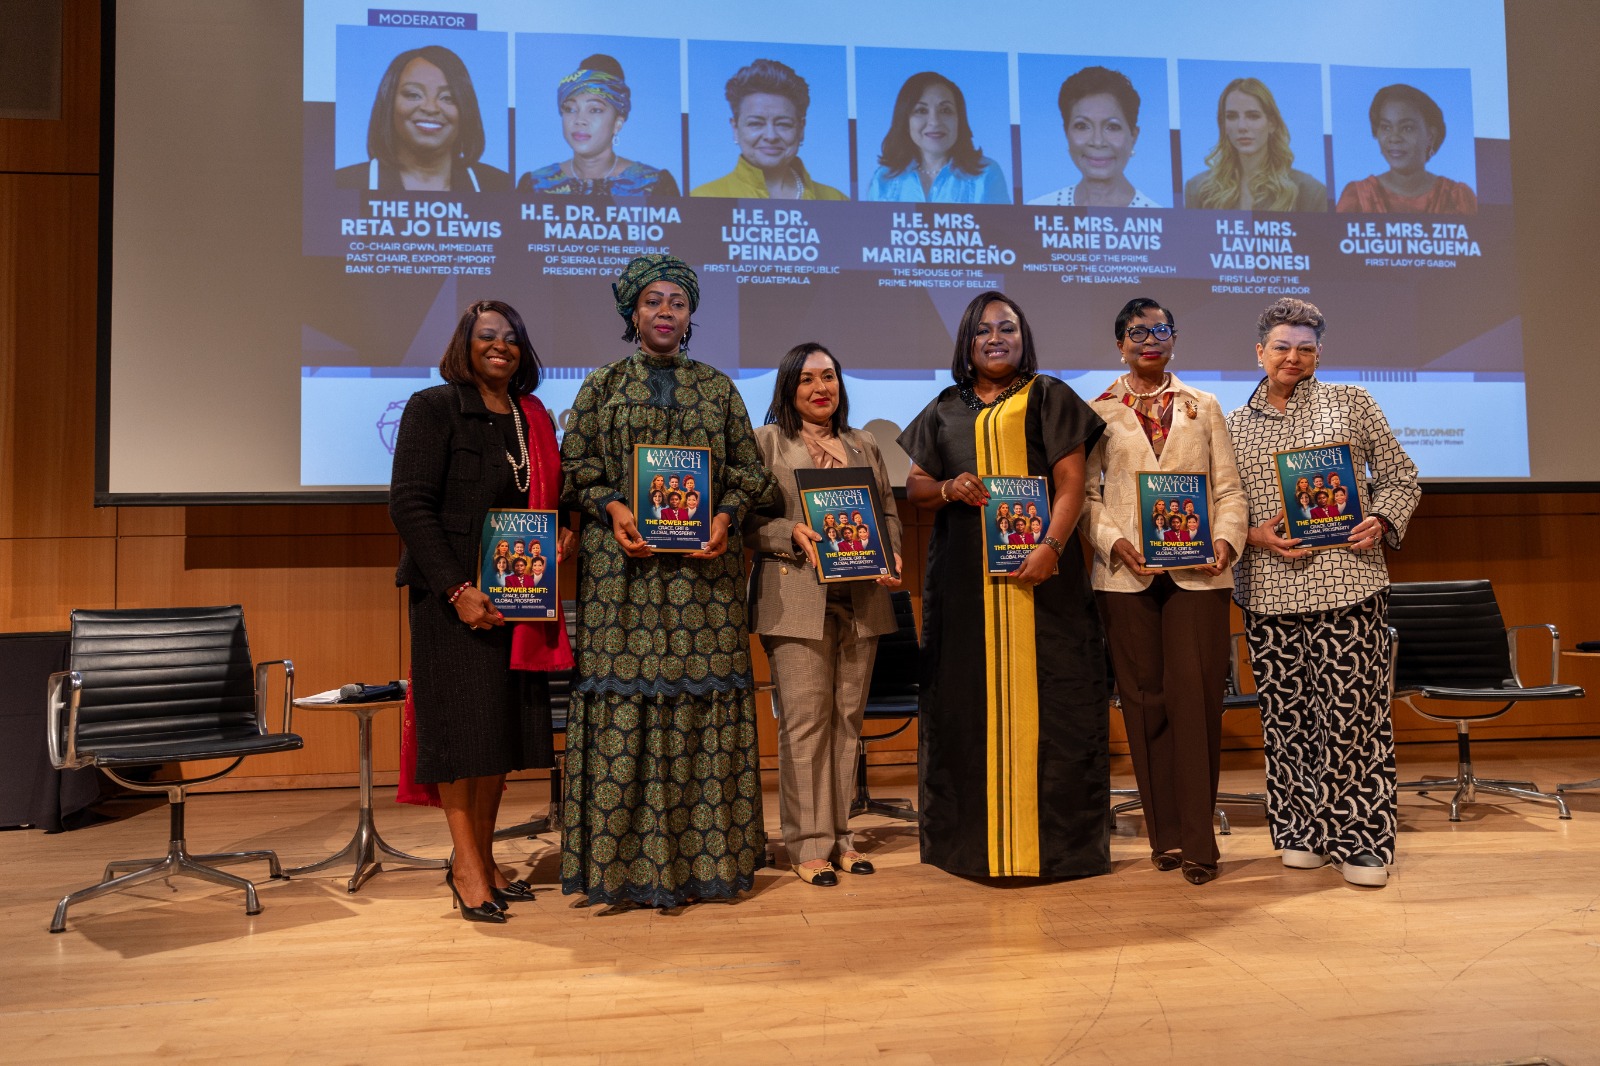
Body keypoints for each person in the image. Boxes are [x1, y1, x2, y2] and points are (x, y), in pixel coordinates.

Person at [560, 254, 781, 908]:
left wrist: (725, 516)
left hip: (702, 582)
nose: (665, 312)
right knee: (624, 712)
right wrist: (615, 508)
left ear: (690, 315)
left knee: (699, 712)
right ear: (633, 312)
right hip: (618, 583)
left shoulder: (717, 389)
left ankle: (701, 869)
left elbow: (754, 477)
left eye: (677, 303)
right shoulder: (600, 387)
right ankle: (621, 872)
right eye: (653, 302)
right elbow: (576, 473)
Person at [898, 290, 1110, 880]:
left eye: (1008, 328)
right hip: (965, 584)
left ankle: (1057, 850)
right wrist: (947, 489)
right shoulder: (944, 407)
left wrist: (1051, 548)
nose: (997, 338)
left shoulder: (1050, 395)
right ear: (966, 341)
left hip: (1045, 579)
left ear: (1024, 338)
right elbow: (917, 485)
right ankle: (969, 848)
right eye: (984, 330)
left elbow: (1070, 484)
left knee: (1057, 704)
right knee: (965, 705)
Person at [389, 299, 575, 923]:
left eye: (512, 337)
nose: (501, 345)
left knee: (497, 738)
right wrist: (456, 591)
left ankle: (487, 858)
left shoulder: (532, 416)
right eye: (486, 335)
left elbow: (553, 498)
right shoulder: (434, 408)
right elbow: (410, 506)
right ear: (464, 345)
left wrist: (563, 537)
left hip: (519, 600)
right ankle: (465, 865)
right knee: (461, 736)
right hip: (453, 605)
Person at [1226, 297, 1420, 888]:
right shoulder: (1232, 424)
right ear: (1259, 351)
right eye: (1282, 346)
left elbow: (1400, 476)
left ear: (1319, 353)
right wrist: (1254, 534)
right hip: (1268, 591)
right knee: (1287, 719)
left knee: (1353, 717)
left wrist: (1381, 520)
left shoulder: (1351, 403)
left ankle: (1363, 839)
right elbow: (1223, 507)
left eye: (1305, 347)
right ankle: (1302, 830)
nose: (1294, 357)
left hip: (1350, 584)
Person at [1081, 297, 1247, 885]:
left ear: (1174, 339)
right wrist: (1113, 543)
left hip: (1200, 574)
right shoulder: (1096, 410)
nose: (1149, 339)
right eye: (1136, 331)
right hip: (1125, 576)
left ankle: (1202, 845)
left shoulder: (1205, 406)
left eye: (1161, 330)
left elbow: (1229, 490)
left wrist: (1225, 543)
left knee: (1197, 700)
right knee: (1146, 701)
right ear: (1118, 343)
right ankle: (1166, 839)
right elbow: (1087, 497)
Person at [746, 342, 904, 885]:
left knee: (846, 723)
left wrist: (894, 551)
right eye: (809, 378)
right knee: (804, 726)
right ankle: (806, 843)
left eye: (830, 377)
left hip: (861, 601)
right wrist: (787, 532)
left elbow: (885, 510)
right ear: (788, 387)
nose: (822, 388)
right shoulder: (767, 443)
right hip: (795, 601)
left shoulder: (863, 443)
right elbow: (746, 521)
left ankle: (841, 838)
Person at [337, 45, 510, 193]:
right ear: (389, 103)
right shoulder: (343, 183)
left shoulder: (501, 186)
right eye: (413, 95)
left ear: (465, 109)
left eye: (448, 98)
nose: (430, 108)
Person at [517, 54, 680, 197]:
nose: (580, 120)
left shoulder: (653, 186)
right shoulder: (535, 185)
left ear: (618, 123)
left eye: (595, 110)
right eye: (570, 109)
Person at [691, 59, 846, 200]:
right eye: (756, 123)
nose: (771, 136)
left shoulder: (836, 201)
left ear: (801, 129)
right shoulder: (703, 199)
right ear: (735, 128)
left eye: (783, 124)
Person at [863, 71, 1009, 203]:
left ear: (959, 119)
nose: (935, 121)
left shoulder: (986, 174)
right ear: (905, 121)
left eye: (945, 110)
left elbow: (1001, 232)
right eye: (921, 110)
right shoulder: (884, 178)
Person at [1185, 77, 1326, 211]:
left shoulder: (1310, 192)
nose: (1242, 126)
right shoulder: (1198, 189)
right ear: (1223, 125)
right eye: (1232, 117)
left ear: (1272, 124)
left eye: (1253, 116)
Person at [1029, 66, 1161, 208]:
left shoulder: (1161, 222)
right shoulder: (1038, 211)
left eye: (1112, 127)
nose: (1097, 142)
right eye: (1082, 126)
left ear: (1133, 136)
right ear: (1066, 133)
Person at [1336, 84, 1477, 214]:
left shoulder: (1457, 198)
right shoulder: (1358, 198)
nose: (1394, 138)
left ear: (1430, 136)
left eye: (1407, 128)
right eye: (1386, 127)